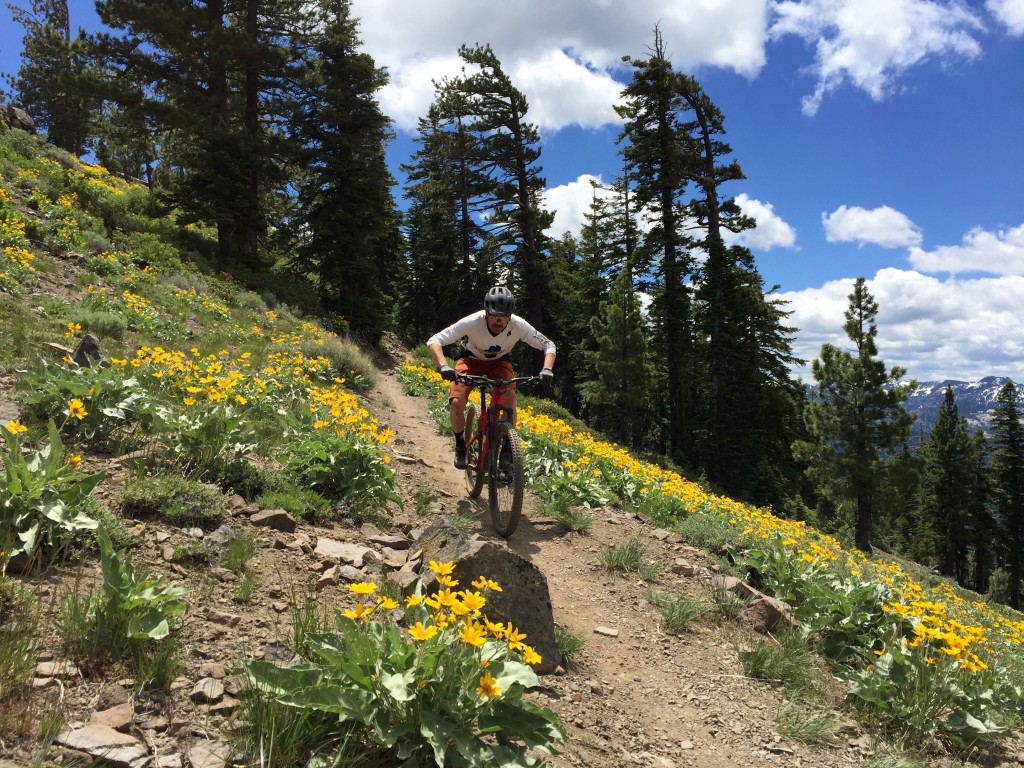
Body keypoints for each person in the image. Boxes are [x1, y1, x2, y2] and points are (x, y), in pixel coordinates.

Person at [427, 286, 556, 469]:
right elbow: (435, 340)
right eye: (494, 316)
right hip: (470, 360)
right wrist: (444, 366)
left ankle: (506, 445)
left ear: (510, 316)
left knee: (510, 398)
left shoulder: (519, 325)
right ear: (486, 313)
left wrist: (547, 369)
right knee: (457, 402)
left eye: (503, 317)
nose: (498, 321)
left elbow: (548, 345)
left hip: (499, 362)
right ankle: (460, 445)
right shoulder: (472, 321)